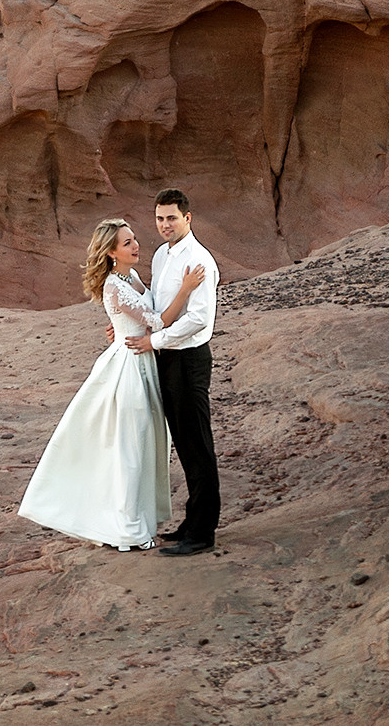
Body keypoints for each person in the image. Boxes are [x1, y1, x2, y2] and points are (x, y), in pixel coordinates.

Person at [17, 217, 207, 552]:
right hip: (129, 368)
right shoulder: (114, 286)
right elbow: (158, 320)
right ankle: (127, 528)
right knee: (130, 448)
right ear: (111, 253)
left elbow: (142, 315)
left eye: (134, 239)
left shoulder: (130, 276)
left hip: (145, 361)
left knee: (146, 443)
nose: (137, 246)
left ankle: (142, 519)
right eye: (128, 243)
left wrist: (120, 325)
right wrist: (186, 289)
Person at [123, 188, 221, 556]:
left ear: (188, 218)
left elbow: (198, 319)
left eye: (172, 218)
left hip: (188, 359)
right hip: (166, 356)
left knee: (196, 442)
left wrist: (155, 341)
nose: (164, 225)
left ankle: (202, 532)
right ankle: (191, 522)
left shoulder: (199, 261)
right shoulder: (163, 255)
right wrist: (132, 329)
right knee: (181, 441)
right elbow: (157, 304)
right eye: (160, 218)